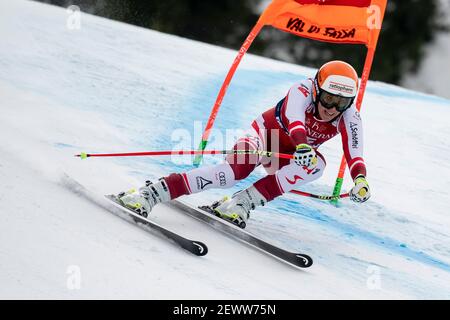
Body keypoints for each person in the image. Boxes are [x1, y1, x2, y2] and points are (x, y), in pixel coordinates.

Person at [116, 60, 371, 228]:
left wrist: (360, 180)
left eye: (342, 103)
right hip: (263, 137)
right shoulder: (302, 91)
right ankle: (150, 193)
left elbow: (355, 152)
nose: (332, 109)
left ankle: (241, 203)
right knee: (230, 174)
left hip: (291, 153)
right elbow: (295, 121)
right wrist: (303, 145)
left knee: (317, 166)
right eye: (328, 99)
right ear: (316, 91)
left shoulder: (350, 116)